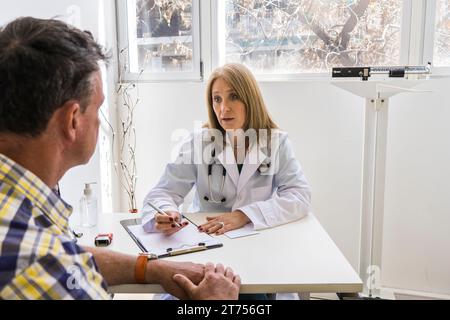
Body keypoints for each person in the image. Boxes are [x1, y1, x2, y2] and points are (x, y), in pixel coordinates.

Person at [0, 17, 240, 300]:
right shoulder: (43, 274)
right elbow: (57, 263)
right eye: (99, 107)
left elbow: (67, 253)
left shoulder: (26, 211)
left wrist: (151, 268)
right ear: (72, 121)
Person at [142, 63, 311, 299]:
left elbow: (299, 195)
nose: (224, 108)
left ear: (250, 98)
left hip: (256, 247)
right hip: (207, 245)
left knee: (252, 295)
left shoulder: (276, 142)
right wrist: (167, 211)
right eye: (217, 99)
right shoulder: (199, 142)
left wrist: (245, 215)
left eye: (233, 97)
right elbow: (162, 192)